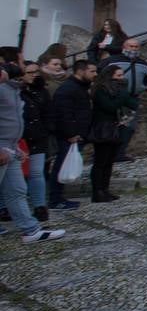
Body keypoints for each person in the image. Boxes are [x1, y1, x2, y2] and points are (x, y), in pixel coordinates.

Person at [1, 63, 66, 242]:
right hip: (2, 148)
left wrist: (16, 147)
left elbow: (11, 121)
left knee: (17, 190)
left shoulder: (14, 89)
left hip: (11, 147)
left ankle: (31, 230)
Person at [48, 59, 96, 209]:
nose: (95, 74)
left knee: (64, 164)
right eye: (92, 71)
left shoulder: (80, 88)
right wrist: (71, 133)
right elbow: (63, 113)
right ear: (81, 71)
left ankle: (58, 197)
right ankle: (55, 199)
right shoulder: (68, 89)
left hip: (77, 134)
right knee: (61, 165)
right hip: (69, 136)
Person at [99, 37, 147, 162]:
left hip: (132, 98)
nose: (134, 49)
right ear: (124, 47)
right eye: (131, 46)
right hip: (113, 96)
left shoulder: (144, 64)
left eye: (136, 47)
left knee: (129, 127)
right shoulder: (111, 61)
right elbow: (99, 75)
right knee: (111, 125)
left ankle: (120, 153)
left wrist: (144, 89)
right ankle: (105, 152)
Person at [89, 64, 134, 203]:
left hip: (115, 126)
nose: (122, 78)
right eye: (118, 76)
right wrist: (122, 96)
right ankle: (97, 191)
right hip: (103, 127)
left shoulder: (119, 90)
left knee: (109, 161)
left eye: (122, 75)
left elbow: (132, 103)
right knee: (101, 161)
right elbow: (110, 106)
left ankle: (105, 189)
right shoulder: (100, 90)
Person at [20, 61, 54, 221]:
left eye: (36, 72)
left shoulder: (41, 91)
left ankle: (40, 206)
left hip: (38, 137)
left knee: (36, 173)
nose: (34, 75)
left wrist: (45, 129)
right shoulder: (17, 92)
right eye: (30, 72)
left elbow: (48, 112)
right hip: (21, 138)